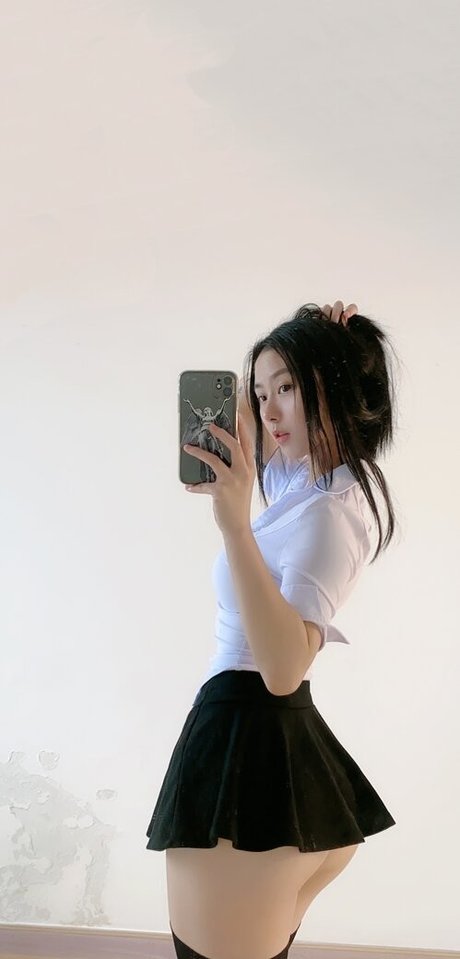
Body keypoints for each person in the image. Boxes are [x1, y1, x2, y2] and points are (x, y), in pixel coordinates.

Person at [146, 300, 398, 959]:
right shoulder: (309, 481)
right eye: (261, 394)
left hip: (248, 746)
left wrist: (233, 525)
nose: (269, 410)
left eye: (286, 387)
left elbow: (285, 667)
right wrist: (334, 344)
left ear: (330, 386)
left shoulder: (330, 513)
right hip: (269, 745)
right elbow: (264, 433)